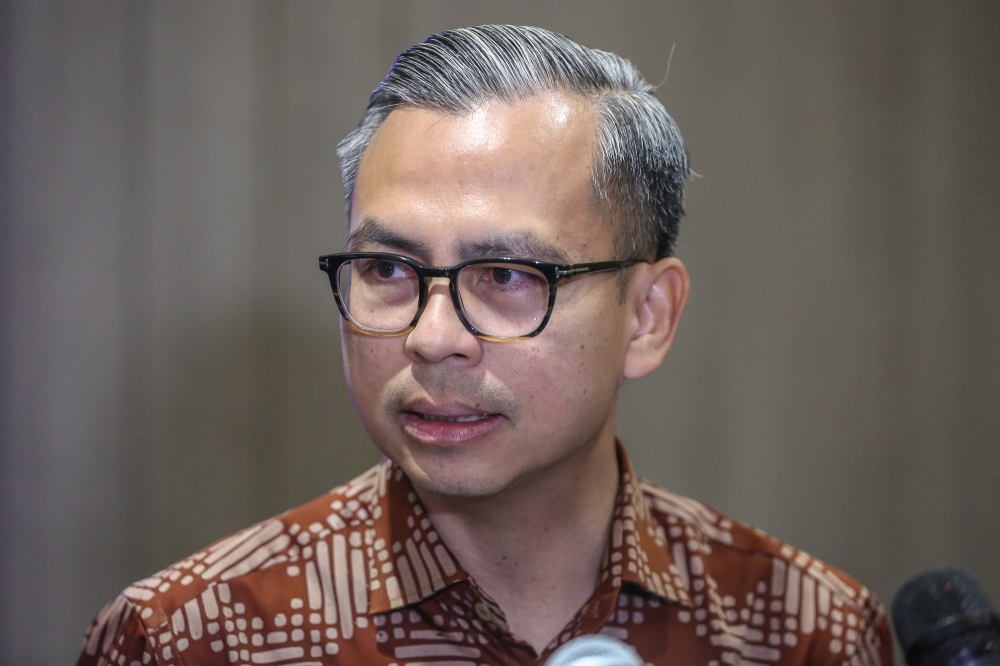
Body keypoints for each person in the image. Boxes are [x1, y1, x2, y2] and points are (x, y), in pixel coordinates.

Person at [77, 25, 892, 666]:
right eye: (389, 267)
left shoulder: (804, 634)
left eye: (505, 274)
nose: (432, 339)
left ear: (646, 317)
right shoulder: (192, 640)